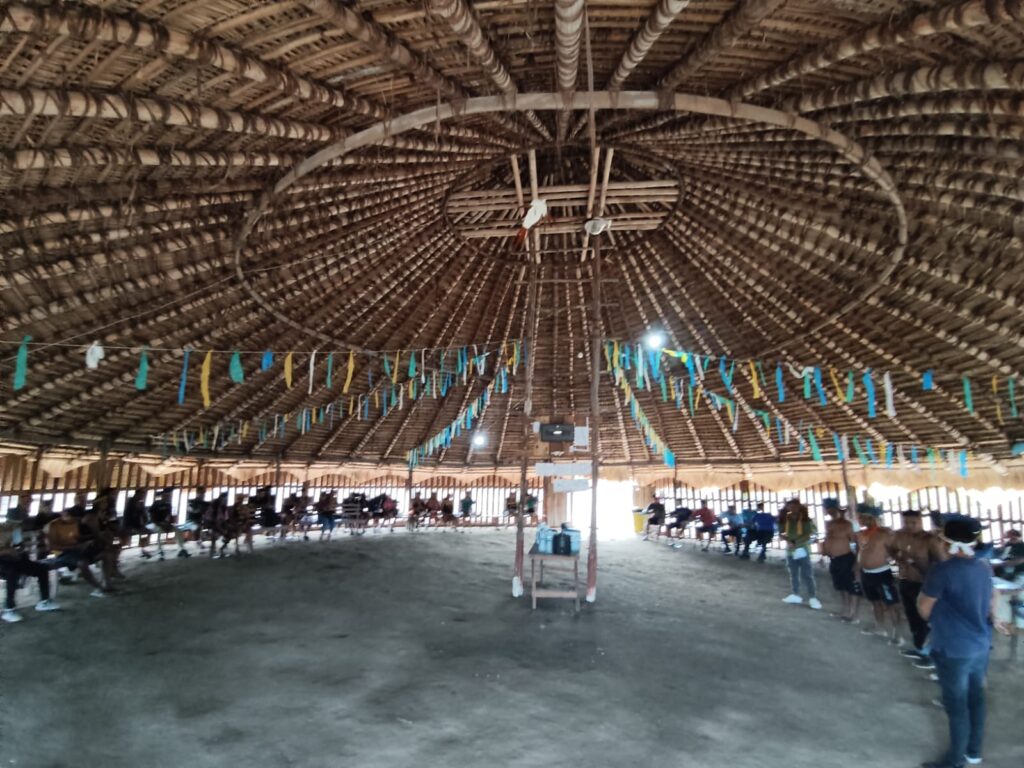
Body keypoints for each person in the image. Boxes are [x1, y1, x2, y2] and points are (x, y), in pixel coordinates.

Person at [918, 515, 1008, 768]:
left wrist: (939, 620)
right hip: (980, 644)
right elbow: (993, 597)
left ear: (947, 542)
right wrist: (989, 616)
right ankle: (973, 752)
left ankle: (955, 760)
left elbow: (924, 609)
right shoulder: (984, 567)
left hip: (953, 648)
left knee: (956, 704)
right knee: (976, 697)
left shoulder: (942, 571)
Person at [888, 510, 947, 662]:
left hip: (924, 584)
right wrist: (898, 561)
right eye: (906, 522)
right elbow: (890, 550)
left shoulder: (930, 540)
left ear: (921, 522)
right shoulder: (899, 536)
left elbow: (943, 563)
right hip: (905, 581)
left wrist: (918, 565)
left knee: (925, 619)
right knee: (912, 616)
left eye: (913, 523)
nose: (909, 526)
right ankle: (919, 648)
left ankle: (931, 653)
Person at [44, 505, 114, 596]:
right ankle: (98, 588)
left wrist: (89, 539)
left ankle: (107, 583)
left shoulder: (74, 522)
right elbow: (51, 547)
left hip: (77, 550)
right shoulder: (53, 526)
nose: (75, 521)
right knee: (82, 563)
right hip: (62, 553)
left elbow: (76, 537)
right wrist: (74, 547)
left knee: (106, 554)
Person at [855, 504, 901, 642]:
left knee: (892, 604)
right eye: (859, 517)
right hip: (866, 573)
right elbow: (860, 553)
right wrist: (858, 569)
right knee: (875, 602)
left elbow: (896, 552)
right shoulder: (861, 534)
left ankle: (897, 634)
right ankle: (880, 627)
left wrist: (897, 569)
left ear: (872, 518)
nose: (860, 520)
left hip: (882, 573)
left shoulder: (885, 534)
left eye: (863, 517)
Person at [1, 518, 60, 623]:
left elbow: (19, 546)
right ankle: (9, 609)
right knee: (12, 573)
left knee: (41, 569)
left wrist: (20, 550)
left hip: (14, 560)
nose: (15, 525)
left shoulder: (15, 529)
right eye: (13, 522)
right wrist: (7, 551)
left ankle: (44, 602)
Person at [820, 498, 862, 622]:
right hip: (834, 560)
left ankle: (854, 614)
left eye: (833, 510)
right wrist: (823, 555)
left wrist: (857, 562)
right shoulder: (829, 524)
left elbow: (857, 543)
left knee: (852, 587)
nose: (830, 512)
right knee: (841, 587)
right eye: (828, 510)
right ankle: (846, 610)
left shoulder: (848, 524)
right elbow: (828, 540)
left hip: (846, 558)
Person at [781, 499, 821, 610]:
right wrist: (788, 541)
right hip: (791, 550)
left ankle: (812, 597)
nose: (792, 509)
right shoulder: (786, 519)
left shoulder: (806, 519)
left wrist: (797, 542)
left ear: (799, 507)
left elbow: (812, 533)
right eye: (790, 507)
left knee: (807, 574)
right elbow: (781, 532)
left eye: (794, 506)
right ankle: (795, 594)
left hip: (803, 549)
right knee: (793, 574)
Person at [992, 528, 1024, 661]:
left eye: (1009, 536)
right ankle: (1007, 624)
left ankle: (1005, 624)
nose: (1008, 538)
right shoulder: (1009, 546)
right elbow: (1004, 556)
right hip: (1013, 576)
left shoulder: (1021, 546)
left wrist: (1004, 563)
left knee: (1003, 594)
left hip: (1019, 576)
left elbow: (1018, 561)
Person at [148, 488, 190, 560]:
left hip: (164, 524)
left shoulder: (168, 505)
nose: (167, 497)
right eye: (166, 495)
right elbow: (151, 518)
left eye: (168, 495)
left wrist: (169, 524)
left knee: (178, 530)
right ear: (162, 496)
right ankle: (160, 551)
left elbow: (169, 517)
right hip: (153, 524)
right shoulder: (155, 504)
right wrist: (161, 524)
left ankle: (182, 549)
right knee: (160, 531)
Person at [121, 489, 154, 559]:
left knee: (148, 532)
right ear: (137, 494)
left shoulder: (140, 503)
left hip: (137, 525)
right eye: (142, 495)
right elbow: (129, 516)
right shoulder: (131, 502)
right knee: (124, 538)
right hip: (129, 525)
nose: (142, 497)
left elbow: (144, 515)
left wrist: (144, 521)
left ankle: (143, 548)